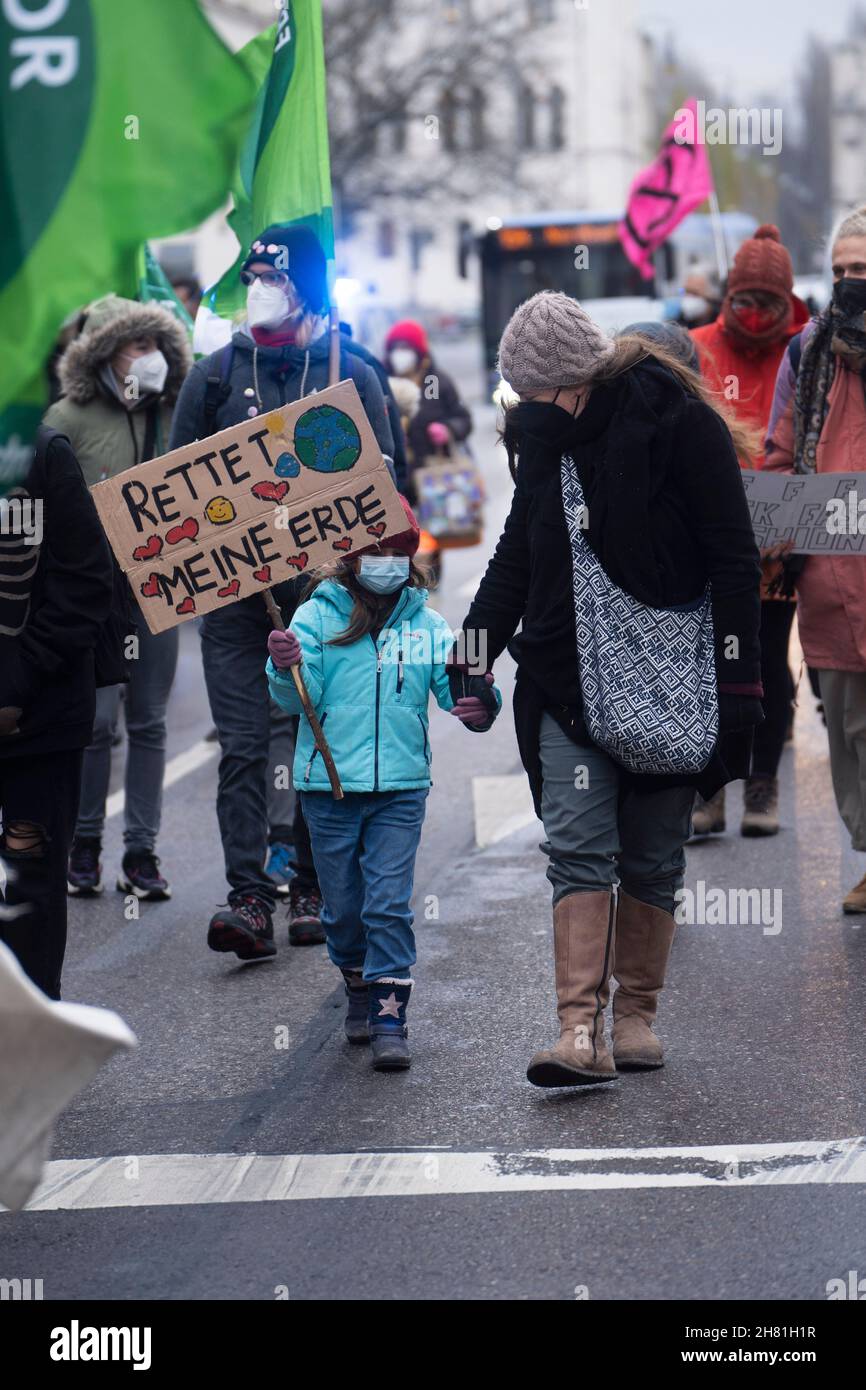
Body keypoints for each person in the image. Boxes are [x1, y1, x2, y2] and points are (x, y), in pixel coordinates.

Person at [460, 291, 762, 1088]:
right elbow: (516, 560)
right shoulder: (545, 443)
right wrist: (472, 652)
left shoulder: (681, 427)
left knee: (655, 859)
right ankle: (576, 1032)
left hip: (675, 682)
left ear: (576, 381)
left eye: (535, 394)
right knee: (580, 850)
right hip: (565, 682)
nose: (526, 410)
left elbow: (735, 560)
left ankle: (635, 1020)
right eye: (516, 397)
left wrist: (741, 690)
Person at [169, 224, 396, 960]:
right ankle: (248, 896)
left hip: (325, 604)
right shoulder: (209, 380)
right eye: (255, 276)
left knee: (311, 736)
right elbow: (177, 498)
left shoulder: (352, 376)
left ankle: (309, 882)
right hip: (236, 608)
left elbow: (383, 495)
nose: (262, 290)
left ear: (310, 290)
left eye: (279, 277)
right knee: (241, 746)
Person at [266, 497, 501, 1070]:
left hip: (400, 790)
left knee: (388, 905)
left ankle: (391, 1015)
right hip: (329, 791)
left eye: (398, 552)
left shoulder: (429, 625)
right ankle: (358, 983)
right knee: (344, 910)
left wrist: (482, 698)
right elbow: (297, 702)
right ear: (349, 557)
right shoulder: (312, 618)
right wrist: (284, 665)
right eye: (375, 552)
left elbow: (458, 697)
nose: (386, 562)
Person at [44, 295, 191, 901]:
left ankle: (141, 851)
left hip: (158, 590)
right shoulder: (66, 419)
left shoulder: (175, 411)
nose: (150, 358)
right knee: (98, 724)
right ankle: (85, 843)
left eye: (158, 345)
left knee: (150, 722)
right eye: (138, 345)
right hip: (94, 599)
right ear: (105, 353)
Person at [691, 226, 810, 837]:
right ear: (727, 298)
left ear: (787, 303)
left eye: (770, 304)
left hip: (780, 539)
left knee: (764, 660)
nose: (757, 316)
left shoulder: (806, 350)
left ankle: (762, 786)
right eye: (746, 302)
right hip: (712, 539)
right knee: (709, 663)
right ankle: (710, 787)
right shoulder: (697, 347)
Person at [765, 203, 866, 913]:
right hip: (829, 580)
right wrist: (769, 533)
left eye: (862, 269)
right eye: (839, 271)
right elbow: (779, 456)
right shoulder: (807, 355)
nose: (849, 282)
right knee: (850, 734)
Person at [0, 425, 113, 998]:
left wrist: (16, 687)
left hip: (38, 723)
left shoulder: (46, 455)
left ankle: (31, 1029)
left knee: (32, 879)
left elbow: (86, 581)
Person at [383, 319, 472, 486]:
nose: (399, 353)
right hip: (395, 480)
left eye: (405, 347)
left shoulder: (436, 381)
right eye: (395, 347)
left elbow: (464, 419)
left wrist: (448, 429)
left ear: (418, 351)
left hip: (434, 475)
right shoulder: (381, 381)